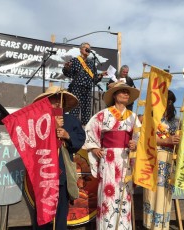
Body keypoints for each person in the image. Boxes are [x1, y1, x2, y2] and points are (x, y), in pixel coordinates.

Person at [84, 82, 141, 230]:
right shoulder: (103, 115)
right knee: (107, 194)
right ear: (114, 95)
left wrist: (135, 144)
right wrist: (95, 148)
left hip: (125, 158)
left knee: (125, 194)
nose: (126, 94)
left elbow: (138, 137)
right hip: (108, 158)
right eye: (122, 91)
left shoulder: (133, 117)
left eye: (127, 92)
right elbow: (90, 131)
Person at [32, 86, 86, 230]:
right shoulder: (38, 120)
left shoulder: (72, 121)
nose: (57, 102)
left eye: (59, 99)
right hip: (44, 171)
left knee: (61, 211)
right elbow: (32, 141)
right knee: (42, 211)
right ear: (46, 101)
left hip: (62, 171)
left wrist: (67, 136)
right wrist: (51, 129)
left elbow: (80, 139)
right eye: (53, 99)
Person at [143, 90, 181, 230]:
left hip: (169, 159)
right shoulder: (151, 118)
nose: (168, 104)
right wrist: (166, 141)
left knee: (165, 193)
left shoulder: (176, 122)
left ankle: (163, 225)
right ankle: (149, 224)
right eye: (166, 100)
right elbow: (146, 139)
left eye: (171, 101)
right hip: (153, 156)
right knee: (152, 191)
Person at [62, 42, 106, 126]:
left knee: (86, 111)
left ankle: (85, 131)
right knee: (74, 110)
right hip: (77, 88)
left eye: (88, 48)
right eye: (85, 47)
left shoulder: (91, 63)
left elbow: (95, 79)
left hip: (88, 89)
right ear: (81, 50)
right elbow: (68, 73)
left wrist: (101, 75)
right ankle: (72, 129)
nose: (87, 49)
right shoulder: (75, 60)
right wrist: (66, 68)